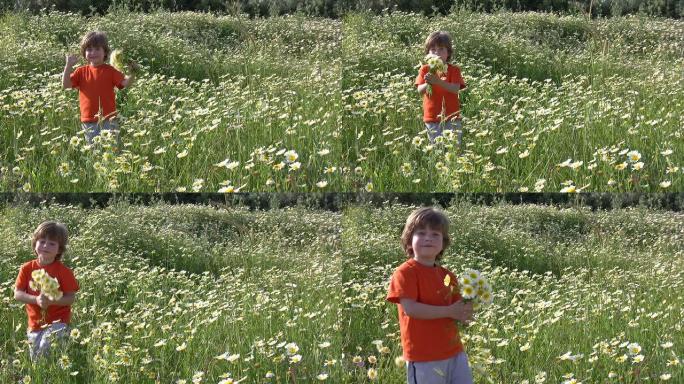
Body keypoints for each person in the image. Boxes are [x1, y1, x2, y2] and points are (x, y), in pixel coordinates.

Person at [387, 207, 474, 384]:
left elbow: (459, 311)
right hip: (423, 357)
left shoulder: (448, 276)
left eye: (435, 234)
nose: (428, 238)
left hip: (455, 351)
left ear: (443, 242)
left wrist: (467, 312)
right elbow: (411, 309)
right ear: (409, 241)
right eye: (421, 233)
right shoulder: (405, 273)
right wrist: (450, 311)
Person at [14, 221, 79, 361]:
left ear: (59, 250)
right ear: (35, 243)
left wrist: (52, 300)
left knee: (46, 346)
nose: (45, 246)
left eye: (52, 244)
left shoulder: (64, 272)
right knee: (36, 360)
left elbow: (70, 298)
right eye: (42, 241)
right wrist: (36, 300)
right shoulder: (26, 268)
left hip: (58, 321)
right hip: (35, 323)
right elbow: (17, 294)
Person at [62, 31, 137, 147]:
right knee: (94, 150)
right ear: (84, 52)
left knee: (112, 150)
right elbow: (66, 85)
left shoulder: (110, 71)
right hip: (88, 120)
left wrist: (133, 73)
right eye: (89, 49)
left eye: (97, 49)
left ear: (105, 52)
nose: (93, 53)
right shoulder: (81, 72)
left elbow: (126, 83)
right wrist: (68, 66)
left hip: (108, 119)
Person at [416, 31, 467, 147]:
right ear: (428, 52)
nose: (437, 53)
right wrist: (429, 83)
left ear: (448, 53)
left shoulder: (454, 70)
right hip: (432, 117)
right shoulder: (425, 69)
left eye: (441, 49)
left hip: (452, 117)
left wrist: (438, 82)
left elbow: (455, 89)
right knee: (436, 148)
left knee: (454, 148)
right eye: (433, 49)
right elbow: (420, 90)